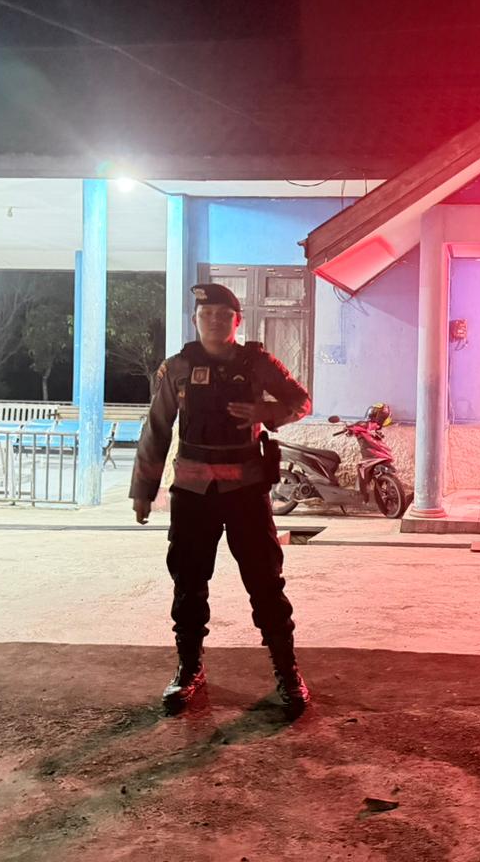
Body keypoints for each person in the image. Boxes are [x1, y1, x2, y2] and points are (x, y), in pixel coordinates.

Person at [131, 282, 312, 717]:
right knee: (188, 584)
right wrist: (143, 490)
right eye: (205, 314)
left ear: (237, 321)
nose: (213, 320)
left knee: (266, 583)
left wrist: (266, 412)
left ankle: (287, 671)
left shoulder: (258, 364)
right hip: (193, 493)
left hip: (246, 492)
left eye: (222, 314)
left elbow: (300, 402)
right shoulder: (177, 368)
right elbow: (157, 428)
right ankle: (189, 669)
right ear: (195, 320)